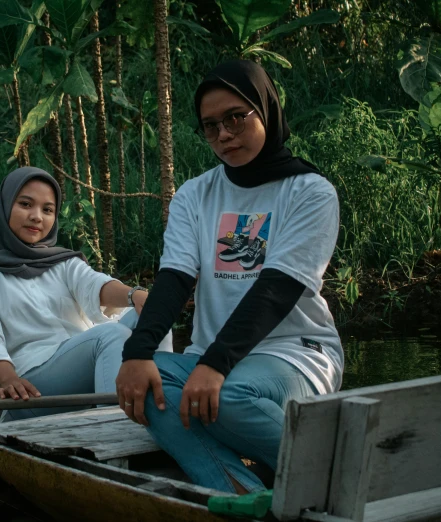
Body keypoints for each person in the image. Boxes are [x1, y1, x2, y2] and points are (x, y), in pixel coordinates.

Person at [115, 60, 344, 494]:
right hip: (214, 358)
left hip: (295, 354)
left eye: (236, 118)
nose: (223, 135)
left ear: (266, 108)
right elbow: (175, 277)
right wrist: (137, 351)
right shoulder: (195, 194)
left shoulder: (309, 191)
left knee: (231, 399)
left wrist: (216, 364)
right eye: (210, 125)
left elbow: (278, 289)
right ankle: (240, 491)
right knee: (147, 386)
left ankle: (330, 482)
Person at [0, 166, 170, 422]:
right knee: (110, 335)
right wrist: (8, 379)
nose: (37, 217)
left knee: (154, 313)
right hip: (33, 386)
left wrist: (134, 295)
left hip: (83, 366)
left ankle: (162, 407)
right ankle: (116, 433)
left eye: (47, 210)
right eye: (26, 204)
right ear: (5, 207)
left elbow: (95, 285)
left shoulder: (62, 262)